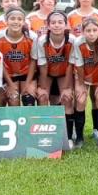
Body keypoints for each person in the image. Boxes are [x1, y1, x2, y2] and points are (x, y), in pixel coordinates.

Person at [33, 11, 76, 147]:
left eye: (60, 22)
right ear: (48, 25)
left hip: (64, 72)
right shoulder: (42, 41)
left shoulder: (72, 40)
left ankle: (68, 136)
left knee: (67, 98)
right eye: (53, 23)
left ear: (66, 24)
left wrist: (68, 88)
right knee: (43, 97)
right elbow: (43, 66)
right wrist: (42, 87)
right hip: (48, 72)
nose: (57, 25)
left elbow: (70, 65)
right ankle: (44, 133)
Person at [73, 18, 98, 146]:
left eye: (94, 30)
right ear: (83, 32)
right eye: (88, 30)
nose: (91, 33)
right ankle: (79, 137)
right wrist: (81, 85)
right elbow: (79, 65)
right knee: (80, 99)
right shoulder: (78, 42)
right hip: (82, 74)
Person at [0, 8, 37, 107]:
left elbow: (33, 61)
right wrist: (10, 84)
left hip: (26, 74)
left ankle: (31, 122)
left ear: (24, 22)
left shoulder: (32, 37)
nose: (16, 22)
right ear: (6, 21)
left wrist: (27, 84)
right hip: (7, 74)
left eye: (19, 19)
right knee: (13, 100)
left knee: (29, 100)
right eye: (12, 19)